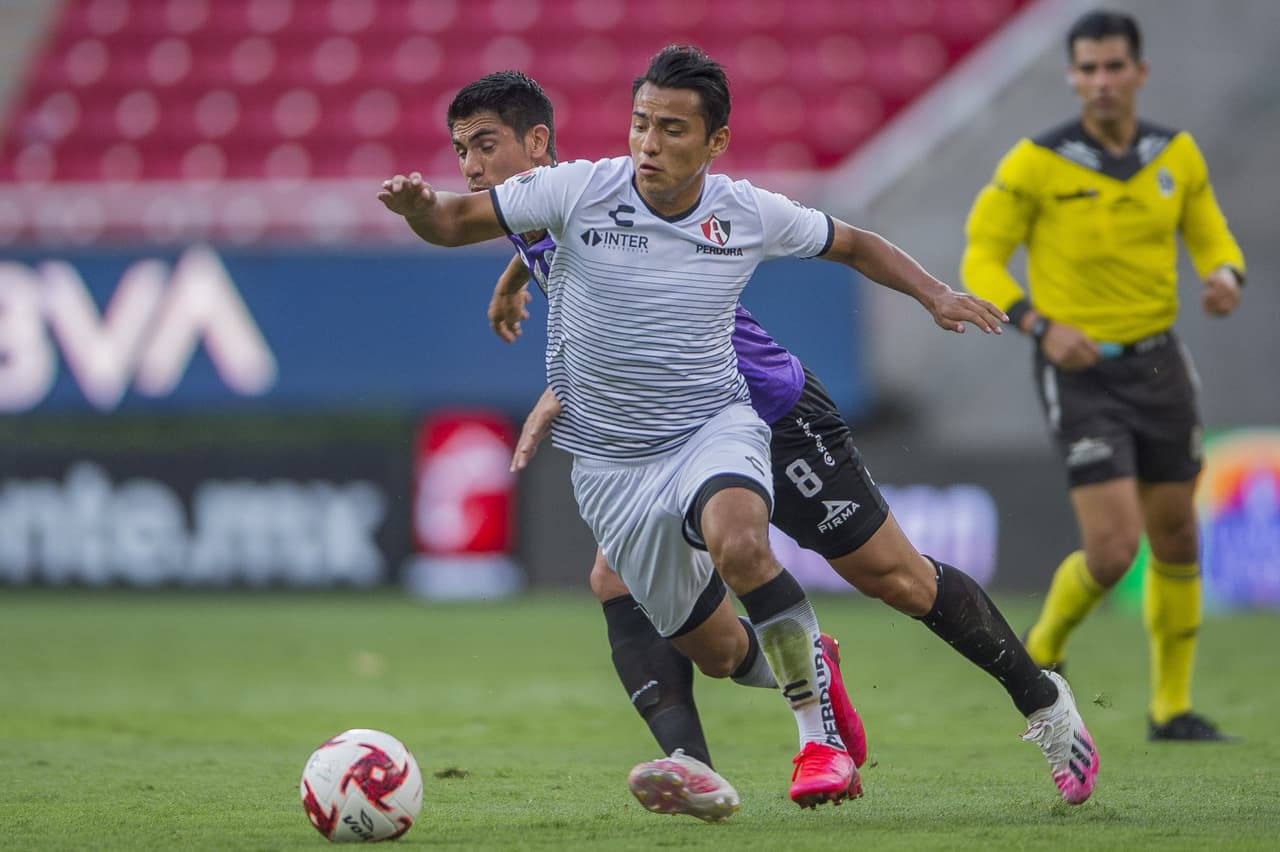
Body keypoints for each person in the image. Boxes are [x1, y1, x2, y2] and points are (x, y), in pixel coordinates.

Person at [380, 47, 1096, 813]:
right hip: (645, 437)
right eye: (640, 127)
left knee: (895, 579)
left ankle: (1044, 704)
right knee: (657, 605)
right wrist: (514, 285)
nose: (649, 145)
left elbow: (842, 242)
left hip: (766, 411)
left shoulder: (707, 207)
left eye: (483, 146)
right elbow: (553, 262)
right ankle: (755, 715)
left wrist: (935, 295)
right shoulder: (564, 197)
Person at [961, 10, 1245, 742]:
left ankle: (1171, 709)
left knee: (1179, 535)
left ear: (1140, 73)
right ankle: (1044, 649)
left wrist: (1224, 275)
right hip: (1080, 373)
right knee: (1116, 550)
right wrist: (1037, 323)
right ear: (1072, 76)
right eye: (1087, 69)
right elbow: (980, 261)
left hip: (1160, 362)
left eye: (1114, 67)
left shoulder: (1175, 155)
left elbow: (1210, 232)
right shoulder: (1036, 162)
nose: (1101, 81)